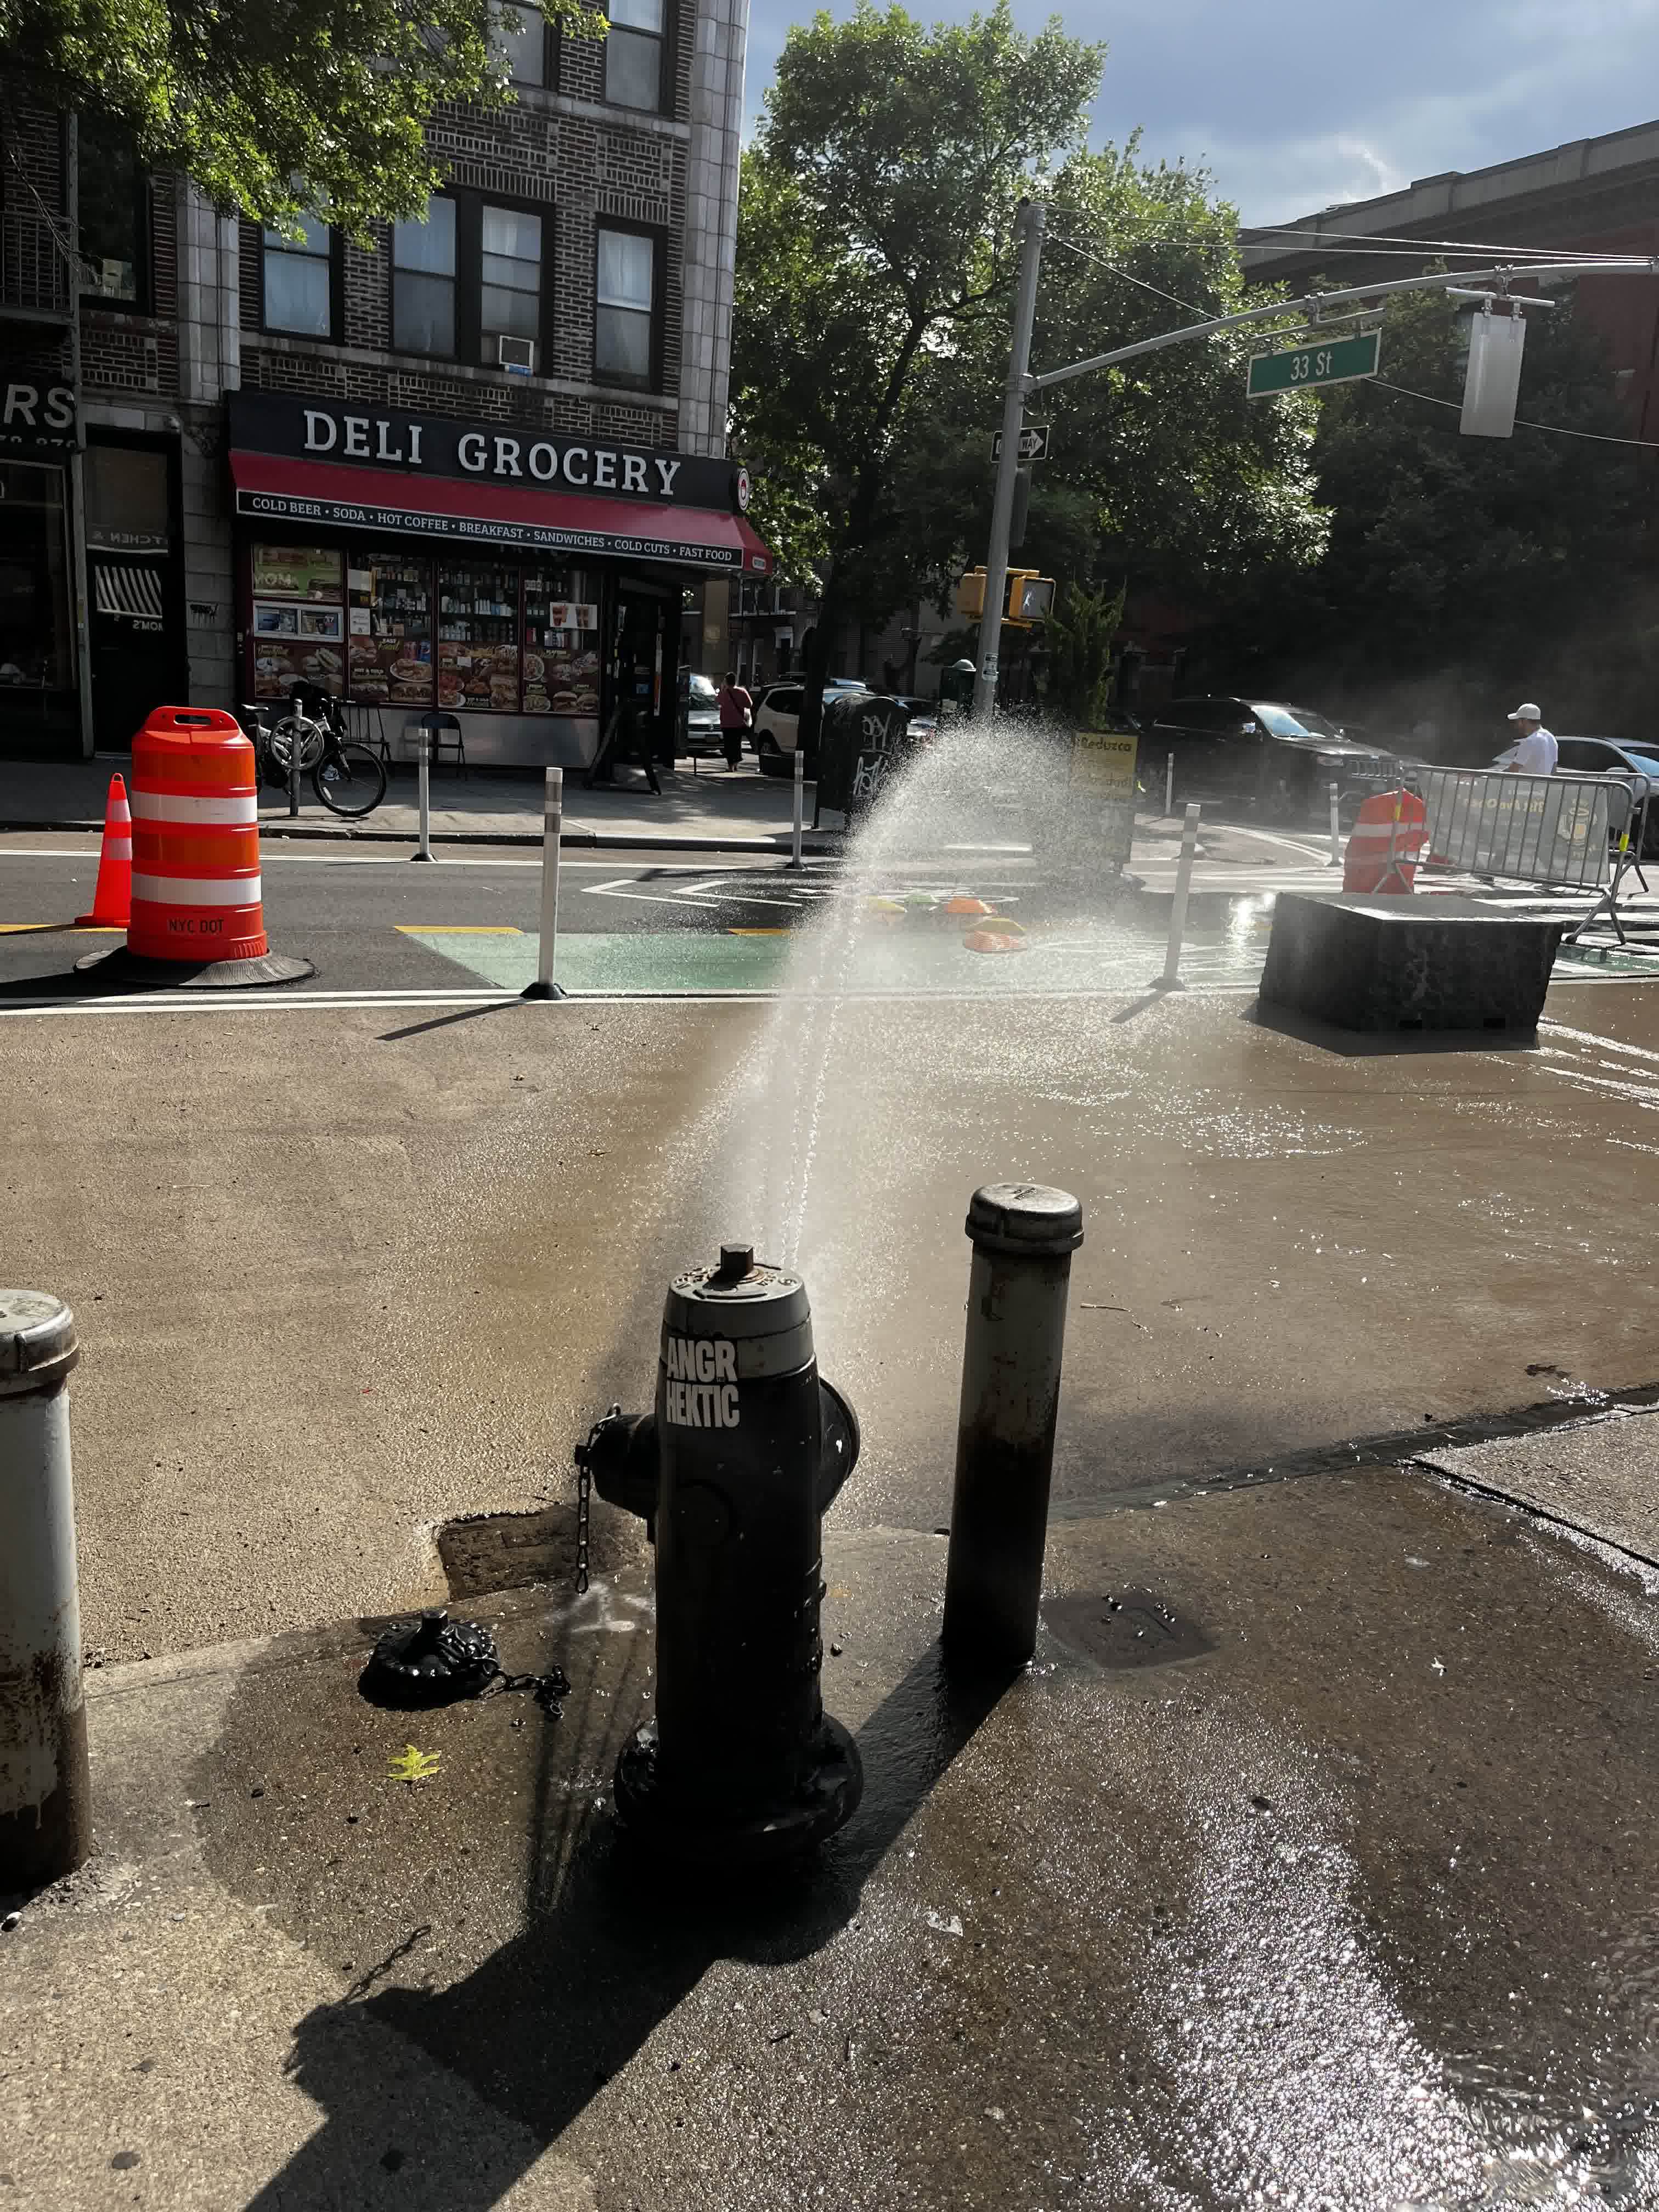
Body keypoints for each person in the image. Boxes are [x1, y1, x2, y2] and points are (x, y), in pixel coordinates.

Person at [1496, 701, 1558, 775]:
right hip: (1544, 783)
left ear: (1525, 721)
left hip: (1528, 783)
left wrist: (1492, 776)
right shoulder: (1551, 738)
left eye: (1518, 721)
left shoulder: (1530, 741)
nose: (1517, 725)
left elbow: (1513, 770)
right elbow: (1553, 771)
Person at [716, 669, 753, 771]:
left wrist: (722, 688)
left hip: (726, 724)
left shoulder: (723, 693)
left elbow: (718, 702)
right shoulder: (742, 691)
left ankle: (730, 766)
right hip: (738, 723)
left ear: (726, 682)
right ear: (735, 681)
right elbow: (750, 704)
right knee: (737, 744)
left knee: (728, 745)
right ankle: (736, 764)